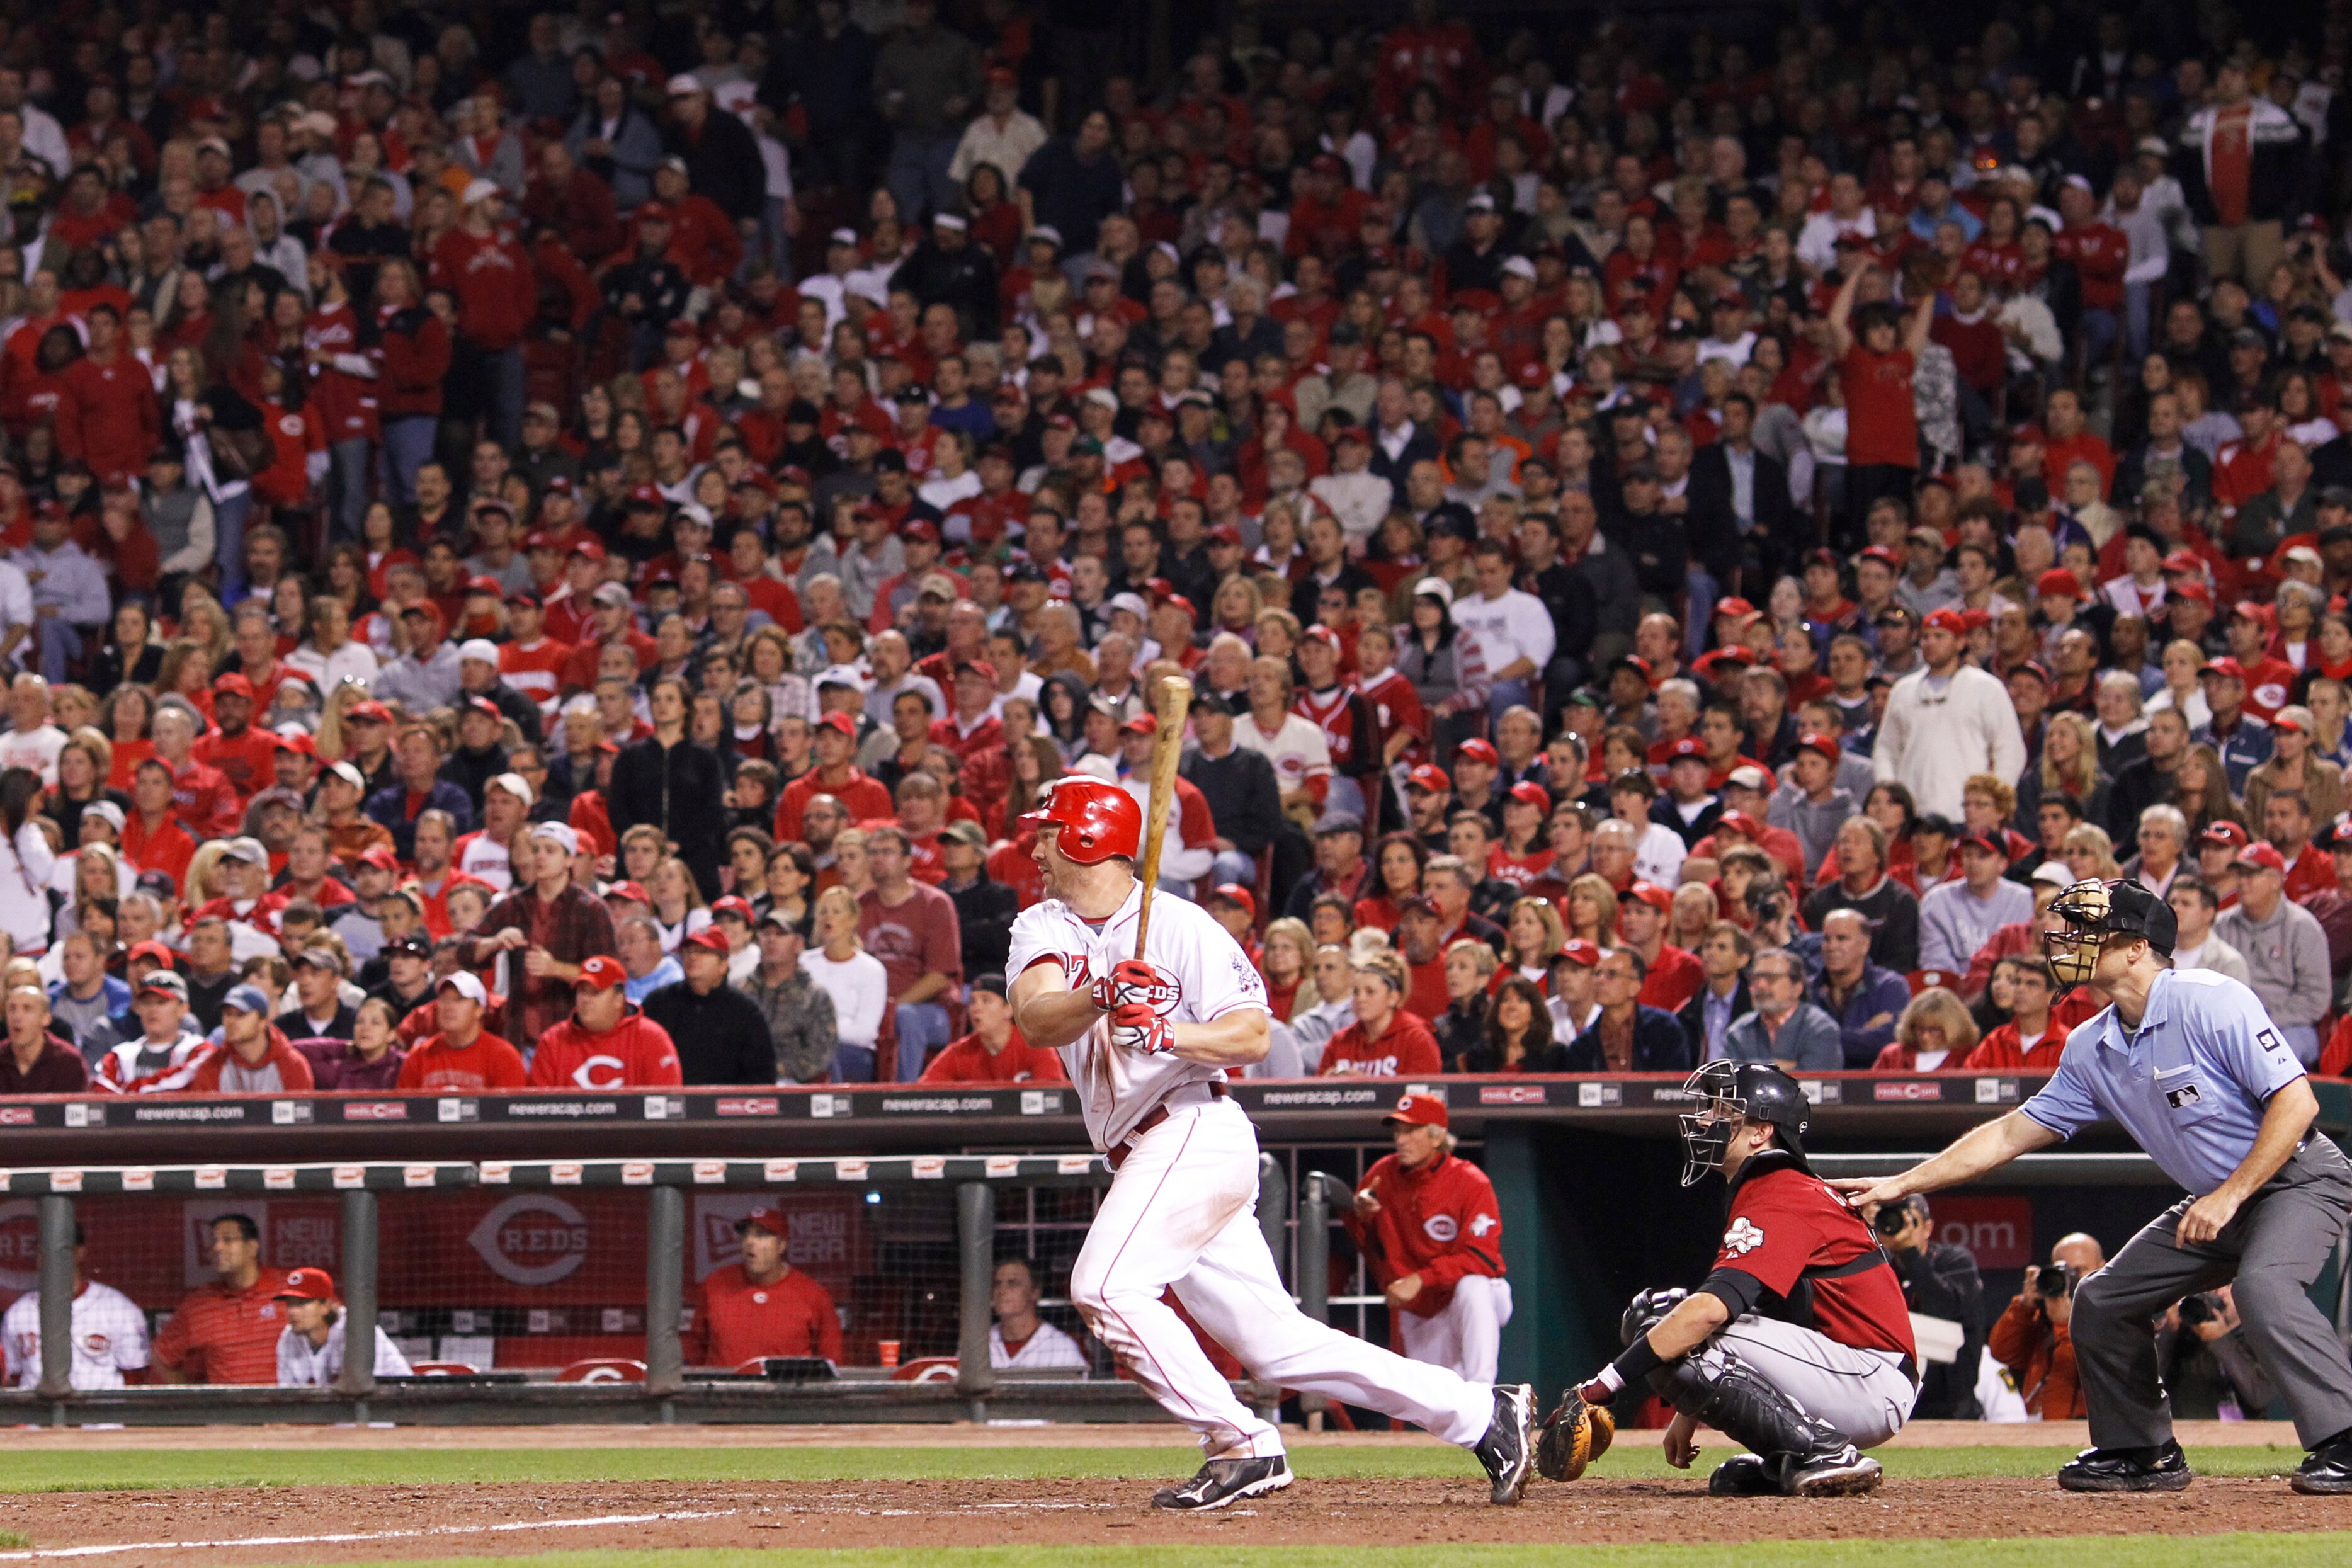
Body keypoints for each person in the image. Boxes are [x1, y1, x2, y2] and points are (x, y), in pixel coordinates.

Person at [1006, 775, 1534, 1511]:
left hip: (1193, 1126)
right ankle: (1483, 1413)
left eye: (1046, 830)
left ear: (1086, 837)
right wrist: (1102, 992)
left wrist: (1169, 1032)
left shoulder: (1183, 925)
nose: (1033, 844)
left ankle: (1241, 1443)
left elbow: (1252, 1033)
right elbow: (1035, 1018)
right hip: (1144, 1151)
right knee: (1276, 1344)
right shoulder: (1044, 926)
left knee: (1105, 1287)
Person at [1839, 878, 2352, 1494]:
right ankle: (2143, 1451)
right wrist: (1901, 1182)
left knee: (2264, 1284)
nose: (2069, 944)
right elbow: (2006, 1137)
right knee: (2103, 1299)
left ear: (2137, 948)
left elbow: (2296, 1105)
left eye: (2088, 932)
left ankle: (2342, 1440)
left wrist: (2230, 1195)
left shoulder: (2208, 998)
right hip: (2217, 1198)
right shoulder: (2092, 1044)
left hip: (2294, 1177)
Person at [1540, 1062, 1914, 1498]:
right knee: (1667, 1323)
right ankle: (1790, 1457)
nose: (1704, 1120)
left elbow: (1708, 1314)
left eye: (1721, 1111)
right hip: (1846, 1370)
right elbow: (1757, 1311)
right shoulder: (1771, 1186)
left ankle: (1824, 1453)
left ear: (1761, 1132)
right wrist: (1687, 1409)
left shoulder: (1782, 1190)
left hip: (1868, 1379)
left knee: (1662, 1318)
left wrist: (1598, 1389)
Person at [1344, 1091, 1511, 1383]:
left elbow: (1482, 1258)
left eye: (1411, 1131)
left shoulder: (1469, 1181)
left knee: (1474, 1287)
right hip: (1421, 1306)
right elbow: (1365, 1244)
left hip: (1471, 1295)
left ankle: (1484, 1394)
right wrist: (1361, 1215)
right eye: (1398, 1131)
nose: (1401, 1139)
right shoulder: (1382, 1174)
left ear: (1436, 1138)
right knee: (1438, 1406)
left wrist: (1421, 1278)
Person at [465, 821, 616, 1047]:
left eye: (550, 850)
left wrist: (555, 968)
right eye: (535, 850)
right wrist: (493, 943)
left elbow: (607, 975)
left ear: (569, 860)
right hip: (518, 1035)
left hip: (572, 1038)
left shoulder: (590, 909)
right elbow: (463, 950)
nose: (540, 857)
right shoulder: (513, 904)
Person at [1872, 608, 2026, 821]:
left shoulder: (1986, 687)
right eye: (1926, 637)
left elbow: (2009, 749)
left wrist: (1992, 802)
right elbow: (1886, 749)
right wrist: (1890, 795)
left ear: (1960, 642)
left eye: (1939, 636)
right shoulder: (1903, 690)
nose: (1930, 643)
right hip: (1912, 815)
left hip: (1966, 814)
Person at [1862, 1195, 1985, 1419]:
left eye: (1908, 1221)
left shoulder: (1954, 1260)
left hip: (1952, 1407)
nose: (1894, 1227)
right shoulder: (1874, 1265)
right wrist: (1863, 1236)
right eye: (1886, 1220)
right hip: (1889, 1404)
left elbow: (1947, 1310)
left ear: (1927, 1228)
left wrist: (1910, 1254)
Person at [2213, 841, 2332, 1064]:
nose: (2243, 882)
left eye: (2252, 874)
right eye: (2240, 874)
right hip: (2233, 1024)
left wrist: (2267, 1020)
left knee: (2276, 1057)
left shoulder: (2302, 927)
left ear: (2276, 880)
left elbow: (2316, 998)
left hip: (2290, 1025)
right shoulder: (2222, 925)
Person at [682, 1206, 843, 1367]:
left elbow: (831, 1359)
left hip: (784, 1392)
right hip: (725, 1391)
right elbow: (696, 1348)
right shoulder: (715, 1284)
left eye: (762, 1235)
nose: (750, 1242)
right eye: (746, 1235)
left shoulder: (813, 1293)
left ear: (782, 1245)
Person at [2, 1221, 148, 1390]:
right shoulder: (19, 1312)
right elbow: (13, 1378)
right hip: (38, 1413)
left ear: (79, 1253)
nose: (50, 1259)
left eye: (58, 1252)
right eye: (43, 1252)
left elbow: (136, 1378)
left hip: (100, 1412)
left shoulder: (117, 1308)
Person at [152, 1213, 292, 1384]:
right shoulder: (199, 1305)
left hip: (287, 1407)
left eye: (228, 1240)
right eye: (213, 1242)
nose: (217, 1248)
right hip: (228, 1409)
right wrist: (190, 1401)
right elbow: (162, 1357)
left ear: (252, 1247)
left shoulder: (290, 1288)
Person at [1987, 1233, 2108, 1421]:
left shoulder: (2113, 1318)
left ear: (2103, 1269)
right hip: (2040, 1430)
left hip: (2087, 1430)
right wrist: (2024, 1306)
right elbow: (2002, 1352)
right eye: (2064, 1271)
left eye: (2080, 1270)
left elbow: (2076, 1370)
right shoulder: (2044, 1320)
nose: (2072, 1280)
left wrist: (2064, 1325)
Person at [642, 926, 777, 1084]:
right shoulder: (659, 1002)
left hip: (728, 1103)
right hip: (666, 1101)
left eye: (703, 952)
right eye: (688, 952)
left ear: (723, 964)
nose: (692, 957)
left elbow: (762, 1073)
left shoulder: (744, 1011)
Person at [528, 955, 685, 1089]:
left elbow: (666, 1106)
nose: (586, 1000)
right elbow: (537, 1110)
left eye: (596, 993)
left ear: (618, 999)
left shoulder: (651, 1038)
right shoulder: (553, 1041)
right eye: (582, 991)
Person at [737, 911, 838, 1084]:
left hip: (791, 1083)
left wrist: (769, 1070)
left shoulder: (815, 997)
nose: (771, 940)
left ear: (798, 944)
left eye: (781, 934)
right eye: (766, 933)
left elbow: (818, 1056)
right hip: (741, 1078)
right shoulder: (741, 990)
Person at [271, 1267, 411, 1386]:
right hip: (335, 1414)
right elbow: (286, 1397)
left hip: (396, 1409)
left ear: (325, 1306)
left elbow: (367, 1397)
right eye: (290, 1304)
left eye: (301, 1303)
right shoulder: (288, 1339)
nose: (291, 1311)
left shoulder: (356, 1331)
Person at [1563, 946, 1692, 1072]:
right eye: (1597, 974)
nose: (1600, 981)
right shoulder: (1583, 1045)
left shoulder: (1664, 1028)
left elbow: (1674, 1086)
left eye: (1611, 975)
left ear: (1635, 987)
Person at [920, 972, 1065, 1082]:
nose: (976, 1008)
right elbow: (922, 1094)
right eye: (973, 1001)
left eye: (986, 1000)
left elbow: (1056, 1099)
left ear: (1008, 1010)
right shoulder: (961, 1052)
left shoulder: (1035, 1046)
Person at [394, 972, 527, 1091]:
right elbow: (406, 1111)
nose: (449, 1007)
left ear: (479, 1010)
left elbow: (509, 1113)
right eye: (444, 999)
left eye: (459, 1000)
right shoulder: (420, 1056)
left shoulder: (503, 1056)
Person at [987, 1257, 1088, 1370]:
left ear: (1035, 1292)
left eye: (1013, 1284)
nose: (1002, 1291)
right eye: (997, 1284)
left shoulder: (1062, 1346)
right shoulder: (978, 1344)